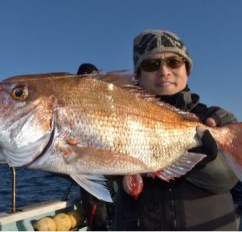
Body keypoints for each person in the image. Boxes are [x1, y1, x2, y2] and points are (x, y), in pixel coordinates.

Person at [114, 30, 239, 230]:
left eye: (173, 62)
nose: (164, 71)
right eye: (151, 65)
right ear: (137, 75)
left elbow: (229, 180)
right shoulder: (116, 118)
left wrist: (206, 161)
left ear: (187, 69)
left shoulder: (216, 119)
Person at [76, 62, 114, 230]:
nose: (95, 81)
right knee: (96, 211)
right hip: (88, 164)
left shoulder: (107, 99)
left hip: (111, 163)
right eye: (90, 77)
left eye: (97, 77)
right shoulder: (75, 101)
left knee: (115, 205)